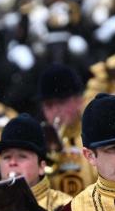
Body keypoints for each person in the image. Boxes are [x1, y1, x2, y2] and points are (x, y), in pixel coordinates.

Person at [38, 63, 96, 196]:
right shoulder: (40, 142)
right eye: (49, 106)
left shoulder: (95, 134)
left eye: (61, 103)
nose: (56, 111)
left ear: (80, 100)